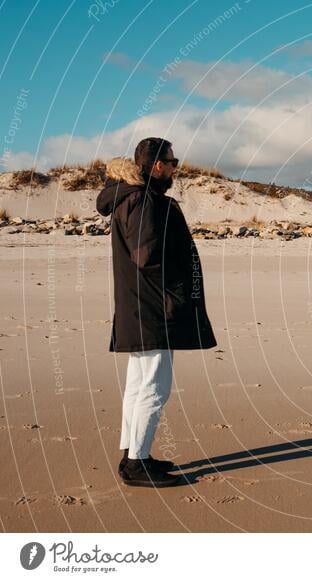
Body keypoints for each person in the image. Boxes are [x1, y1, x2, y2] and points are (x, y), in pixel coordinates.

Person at [96, 137, 217, 487]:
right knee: (154, 386)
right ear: (156, 165)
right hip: (151, 308)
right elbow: (146, 255)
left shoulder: (132, 198)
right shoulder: (144, 201)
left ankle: (134, 453)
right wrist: (177, 288)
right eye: (172, 161)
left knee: (139, 384)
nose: (175, 167)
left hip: (141, 305)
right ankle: (136, 464)